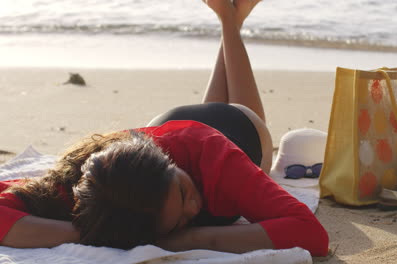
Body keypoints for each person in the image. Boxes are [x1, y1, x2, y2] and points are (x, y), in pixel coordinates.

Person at [0, 0, 329, 256]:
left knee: (244, 123)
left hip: (235, 131)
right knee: (195, 142)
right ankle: (229, 17)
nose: (194, 207)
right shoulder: (96, 195)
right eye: (181, 218)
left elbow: (311, 234)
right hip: (167, 131)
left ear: (167, 163)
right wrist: (91, 233)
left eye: (184, 192)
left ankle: (230, 22)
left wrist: (190, 236)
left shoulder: (221, 165)